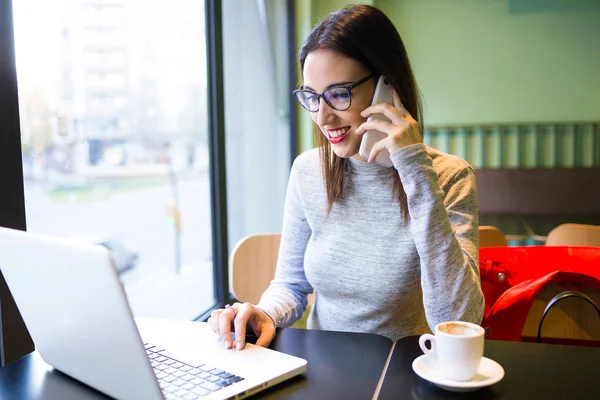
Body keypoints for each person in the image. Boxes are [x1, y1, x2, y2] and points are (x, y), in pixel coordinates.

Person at [208, 4, 484, 350]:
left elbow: (460, 319)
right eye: (311, 96)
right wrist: (266, 313)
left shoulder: (449, 177)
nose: (323, 118)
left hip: (405, 369)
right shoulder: (308, 171)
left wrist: (413, 169)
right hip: (326, 369)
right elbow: (291, 285)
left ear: (387, 87)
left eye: (339, 94)